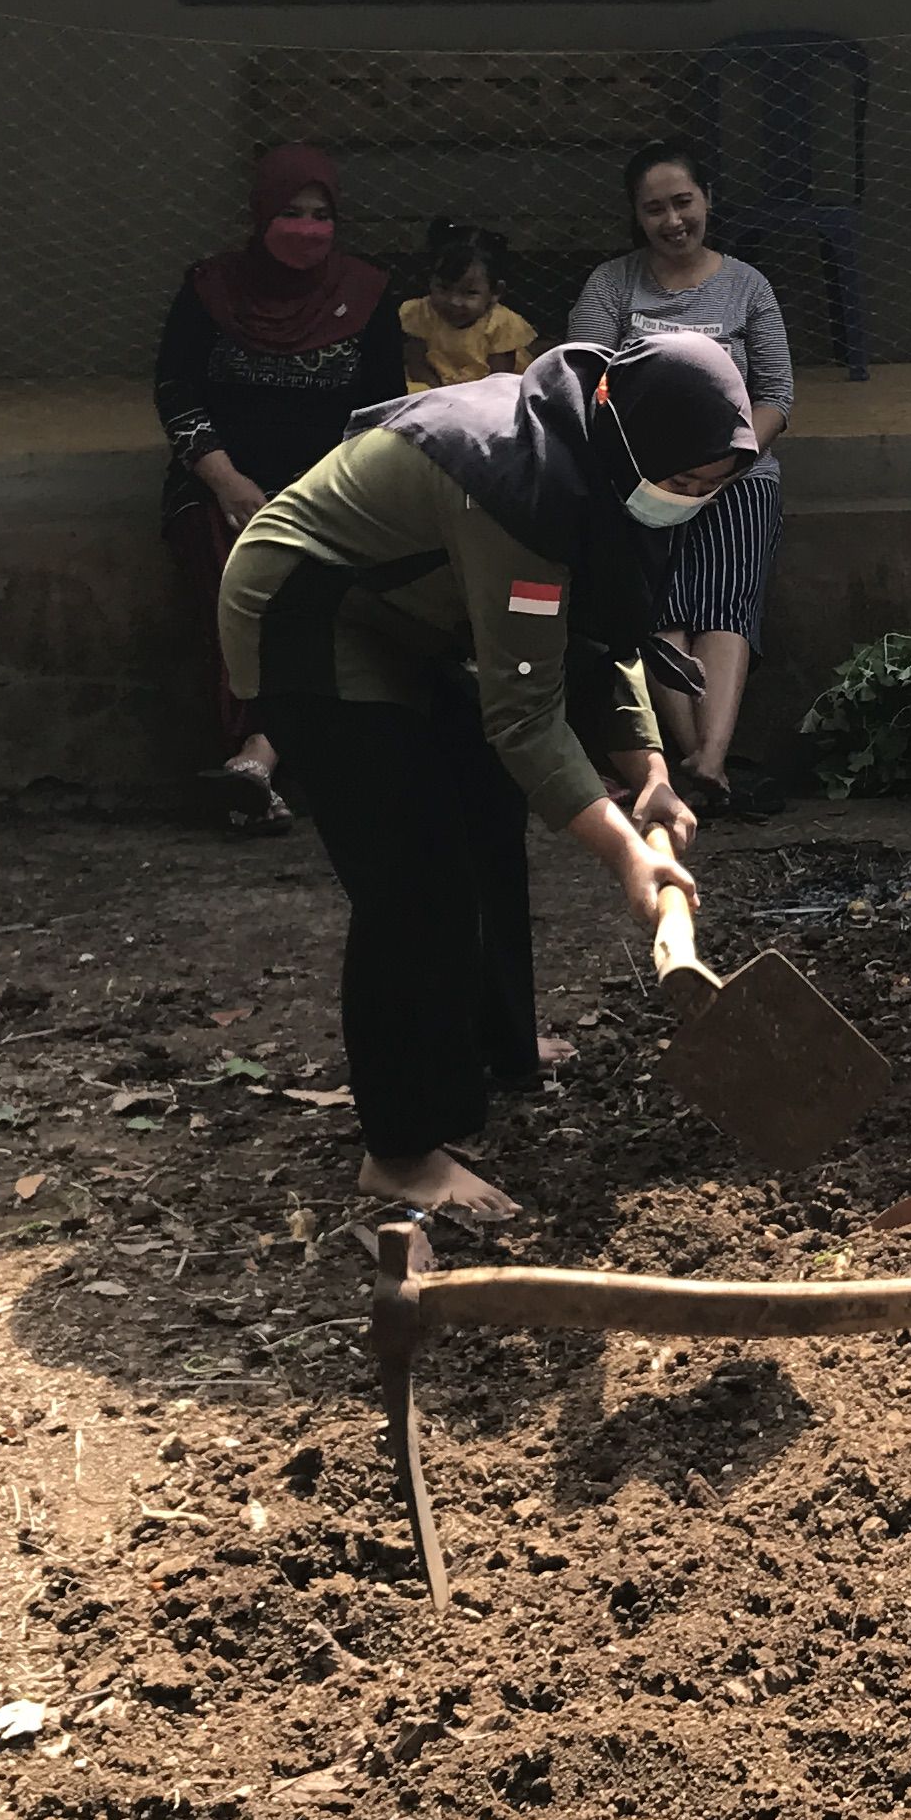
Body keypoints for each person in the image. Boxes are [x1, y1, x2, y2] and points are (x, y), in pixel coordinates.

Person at [214, 336, 748, 1226]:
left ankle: (494, 1050)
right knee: (413, 876)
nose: (688, 500)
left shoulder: (596, 453)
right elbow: (526, 715)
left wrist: (649, 773)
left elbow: (591, 637)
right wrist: (627, 856)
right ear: (632, 438)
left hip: (414, 622)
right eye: (682, 481)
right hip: (311, 614)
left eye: (708, 487)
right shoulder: (517, 487)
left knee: (488, 818)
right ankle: (401, 1151)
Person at [155, 144, 409, 833]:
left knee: (316, 590)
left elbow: (383, 414)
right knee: (231, 579)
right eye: (289, 213)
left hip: (332, 491)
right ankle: (255, 758)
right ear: (260, 213)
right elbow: (175, 391)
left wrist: (327, 494)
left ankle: (257, 758)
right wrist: (228, 481)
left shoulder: (367, 295)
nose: (305, 228)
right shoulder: (211, 289)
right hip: (220, 486)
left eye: (319, 214)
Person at [567, 144, 793, 820]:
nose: (672, 220)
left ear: (708, 201)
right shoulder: (611, 286)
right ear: (636, 217)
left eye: (683, 202)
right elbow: (584, 385)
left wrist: (724, 464)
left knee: (723, 601)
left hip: (737, 472)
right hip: (638, 479)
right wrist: (652, 469)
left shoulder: (748, 286)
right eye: (654, 208)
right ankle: (699, 768)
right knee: (658, 605)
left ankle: (710, 759)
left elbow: (778, 394)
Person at [399, 221, 538, 390]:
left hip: (484, 388)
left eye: (470, 293)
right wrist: (439, 394)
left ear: (495, 292)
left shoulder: (502, 323)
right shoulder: (420, 313)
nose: (454, 301)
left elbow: (499, 378)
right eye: (443, 288)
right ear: (430, 281)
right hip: (434, 385)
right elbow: (417, 365)